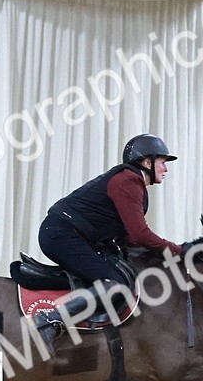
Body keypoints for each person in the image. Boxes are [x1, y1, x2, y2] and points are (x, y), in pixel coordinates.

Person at [34, 134, 183, 354]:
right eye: (162, 162)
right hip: (60, 234)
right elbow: (140, 235)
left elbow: (128, 238)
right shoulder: (128, 181)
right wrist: (180, 251)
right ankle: (48, 320)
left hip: (66, 233)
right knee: (115, 285)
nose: (166, 169)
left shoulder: (133, 184)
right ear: (147, 162)